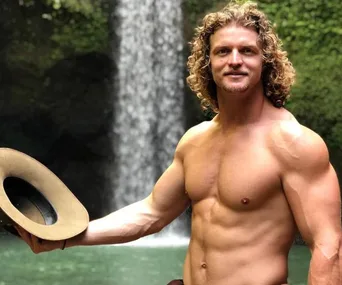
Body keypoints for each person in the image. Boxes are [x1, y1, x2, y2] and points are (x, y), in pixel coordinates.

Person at [16, 1, 341, 284]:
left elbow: (328, 248)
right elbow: (151, 213)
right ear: (208, 63)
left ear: (265, 62)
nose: (235, 60)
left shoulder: (294, 144)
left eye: (248, 51)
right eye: (223, 51)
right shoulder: (195, 141)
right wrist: (64, 239)